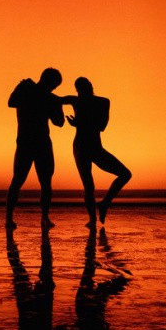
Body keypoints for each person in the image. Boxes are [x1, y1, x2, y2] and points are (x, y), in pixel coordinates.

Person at [61, 77, 132, 227]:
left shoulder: (103, 102)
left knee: (125, 174)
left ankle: (104, 203)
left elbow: (102, 126)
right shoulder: (75, 101)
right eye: (78, 89)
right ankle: (92, 220)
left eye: (83, 87)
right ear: (77, 91)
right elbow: (55, 100)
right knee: (89, 186)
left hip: (95, 147)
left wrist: (79, 123)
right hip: (80, 147)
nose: (81, 91)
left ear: (91, 86)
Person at [5, 68, 64, 230]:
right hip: (27, 141)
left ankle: (44, 217)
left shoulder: (48, 97)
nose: (52, 88)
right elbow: (11, 102)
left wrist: (56, 104)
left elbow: (59, 122)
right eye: (52, 85)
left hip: (42, 142)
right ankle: (9, 218)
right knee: (18, 180)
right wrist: (42, 98)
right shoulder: (26, 88)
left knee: (45, 183)